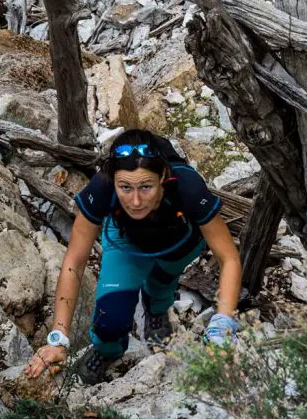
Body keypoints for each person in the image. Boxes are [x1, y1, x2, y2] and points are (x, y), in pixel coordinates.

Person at [24, 128, 242, 385]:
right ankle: (108, 350)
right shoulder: (102, 187)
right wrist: (58, 337)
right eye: (125, 187)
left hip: (181, 240)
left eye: (146, 187)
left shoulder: (188, 187)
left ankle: (156, 309)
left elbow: (228, 258)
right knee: (109, 319)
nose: (136, 201)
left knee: (163, 278)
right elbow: (74, 261)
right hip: (127, 242)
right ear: (113, 179)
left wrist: (222, 323)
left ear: (163, 176)